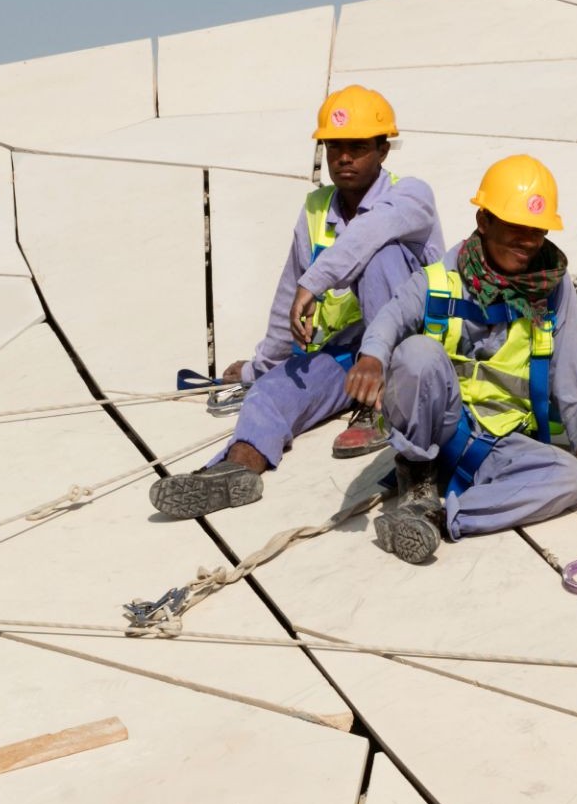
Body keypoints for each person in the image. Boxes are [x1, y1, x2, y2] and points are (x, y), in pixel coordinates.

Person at [150, 86, 447, 518]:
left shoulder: (412, 195)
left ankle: (382, 407)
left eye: (357, 147)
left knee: (380, 257)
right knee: (271, 393)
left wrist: (318, 279)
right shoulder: (316, 209)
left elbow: (368, 235)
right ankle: (237, 470)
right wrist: (259, 366)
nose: (343, 158)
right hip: (354, 350)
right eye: (334, 147)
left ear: (383, 150)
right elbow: (289, 294)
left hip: (414, 352)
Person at [372, 155, 577, 563]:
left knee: (567, 479)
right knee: (417, 353)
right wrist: (371, 359)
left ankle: (437, 518)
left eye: (536, 230)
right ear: (484, 222)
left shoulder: (554, 287)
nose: (529, 241)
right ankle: (418, 483)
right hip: (442, 432)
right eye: (516, 227)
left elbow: (573, 372)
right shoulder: (441, 279)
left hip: (502, 441)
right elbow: (391, 317)